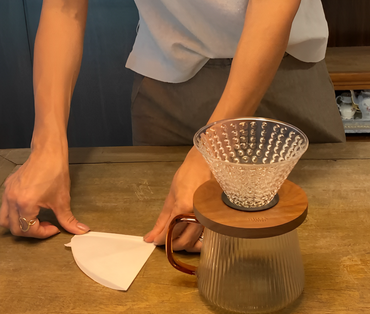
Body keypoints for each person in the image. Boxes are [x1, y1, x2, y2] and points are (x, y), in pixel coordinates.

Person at [0, 0, 344, 252]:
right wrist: (46, 147)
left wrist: (210, 150)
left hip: (284, 72)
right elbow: (64, 8)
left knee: (320, 248)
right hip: (169, 83)